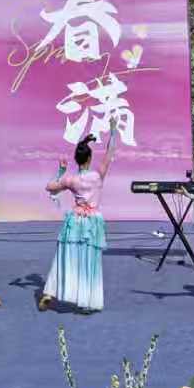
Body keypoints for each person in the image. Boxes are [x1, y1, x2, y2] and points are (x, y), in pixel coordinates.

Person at [40, 132, 115, 313]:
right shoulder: (97, 176)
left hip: (74, 221)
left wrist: (61, 170)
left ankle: (51, 291)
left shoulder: (71, 180)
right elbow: (110, 152)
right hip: (91, 224)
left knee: (65, 257)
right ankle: (85, 301)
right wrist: (113, 131)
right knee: (89, 260)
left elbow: (50, 187)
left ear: (76, 159)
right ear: (89, 158)